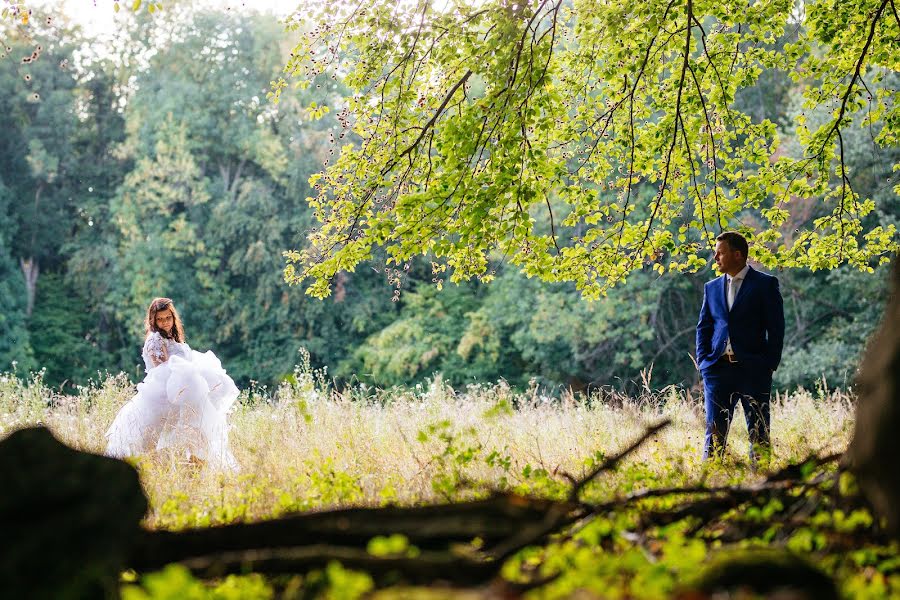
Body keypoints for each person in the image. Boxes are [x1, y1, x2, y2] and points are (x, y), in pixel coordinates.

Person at [105, 297, 239, 469]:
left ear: (173, 318)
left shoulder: (172, 337)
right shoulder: (155, 340)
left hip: (179, 392)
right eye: (160, 319)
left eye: (168, 318)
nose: (165, 322)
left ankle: (193, 471)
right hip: (164, 394)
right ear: (153, 320)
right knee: (155, 443)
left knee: (195, 434)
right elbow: (163, 369)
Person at [696, 232, 784, 463]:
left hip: (754, 370)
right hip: (717, 369)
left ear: (737, 254)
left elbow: (776, 328)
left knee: (759, 432)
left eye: (720, 252)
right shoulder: (711, 288)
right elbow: (703, 327)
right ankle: (711, 483)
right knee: (714, 434)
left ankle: (762, 483)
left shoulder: (765, 284)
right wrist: (704, 362)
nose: (715, 257)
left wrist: (769, 364)